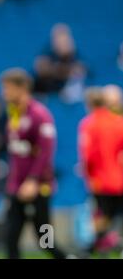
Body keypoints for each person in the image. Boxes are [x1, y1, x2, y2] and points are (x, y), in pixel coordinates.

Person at [0, 68, 67, 259]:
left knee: (45, 240)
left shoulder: (39, 115)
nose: (4, 93)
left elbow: (46, 151)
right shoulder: (14, 114)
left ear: (23, 88)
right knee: (10, 238)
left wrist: (33, 180)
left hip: (38, 188)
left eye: (8, 88)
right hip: (16, 188)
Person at [78, 87, 123, 256]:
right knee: (110, 215)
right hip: (119, 178)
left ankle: (92, 249)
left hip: (101, 180)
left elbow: (88, 155)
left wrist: (87, 174)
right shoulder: (119, 122)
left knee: (101, 215)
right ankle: (105, 245)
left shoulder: (89, 124)